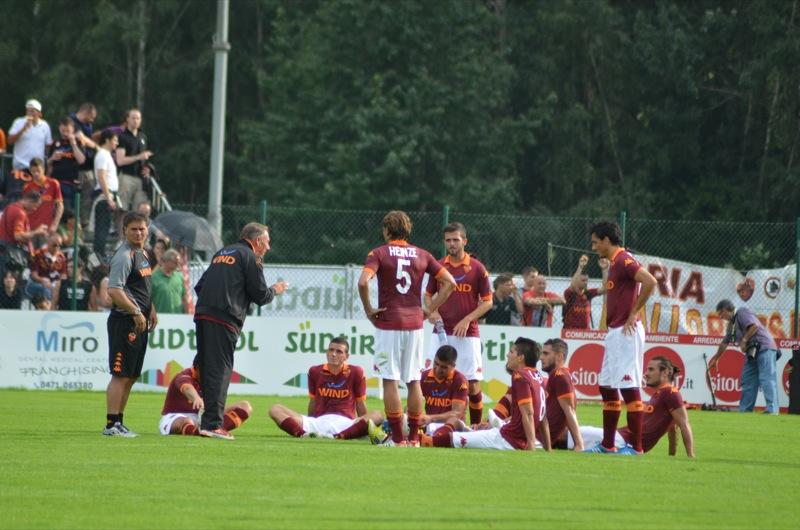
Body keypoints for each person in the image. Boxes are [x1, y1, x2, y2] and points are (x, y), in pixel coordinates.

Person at [358, 210, 456, 447]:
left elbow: (363, 281)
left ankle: (398, 439)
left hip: (389, 322)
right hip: (414, 324)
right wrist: (429, 309)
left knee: (390, 379)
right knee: (413, 380)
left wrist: (370, 309)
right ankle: (414, 438)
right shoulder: (422, 254)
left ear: (387, 230)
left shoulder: (379, 253)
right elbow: (449, 283)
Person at [193, 222, 289, 440]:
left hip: (203, 314)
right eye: (267, 242)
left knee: (207, 367)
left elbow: (200, 286)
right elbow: (260, 296)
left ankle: (206, 420)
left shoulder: (221, 253)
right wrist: (275, 289)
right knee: (221, 369)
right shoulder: (251, 257)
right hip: (224, 319)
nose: (268, 247)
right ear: (256, 241)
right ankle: (213, 425)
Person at [585, 220, 656, 454]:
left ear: (606, 240)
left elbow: (650, 281)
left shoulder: (625, 259)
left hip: (627, 331)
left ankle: (636, 448)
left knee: (629, 387)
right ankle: (608, 445)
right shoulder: (615, 262)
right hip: (614, 332)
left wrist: (634, 312)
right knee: (606, 385)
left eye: (596, 242)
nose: (593, 247)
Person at [419, 337, 550, 452]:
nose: (508, 355)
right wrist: (548, 447)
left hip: (510, 438)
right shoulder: (537, 376)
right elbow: (542, 416)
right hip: (512, 435)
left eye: (511, 352)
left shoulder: (520, 375)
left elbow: (528, 413)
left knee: (457, 439)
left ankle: (420, 440)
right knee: (468, 429)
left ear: (521, 358)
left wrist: (531, 446)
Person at [424, 222, 492, 425]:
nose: (451, 244)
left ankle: (475, 427)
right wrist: (433, 310)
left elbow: (488, 301)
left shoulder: (478, 269)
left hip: (467, 333)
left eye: (455, 239)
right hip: (440, 333)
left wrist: (467, 319)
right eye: (448, 240)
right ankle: (421, 423)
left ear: (464, 240)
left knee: (472, 386)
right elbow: (428, 296)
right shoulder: (438, 266)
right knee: (428, 377)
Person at [566, 357, 695, 457]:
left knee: (568, 433)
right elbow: (673, 428)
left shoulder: (670, 392)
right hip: (620, 438)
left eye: (651, 369)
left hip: (623, 441)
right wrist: (672, 455)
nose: (645, 374)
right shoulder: (662, 394)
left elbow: (684, 424)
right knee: (568, 435)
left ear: (665, 372)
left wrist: (691, 456)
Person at [103, 211, 158, 437]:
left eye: (142, 229)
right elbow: (114, 290)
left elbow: (140, 287)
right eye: (133, 229)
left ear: (147, 230)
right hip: (125, 321)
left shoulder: (143, 254)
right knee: (120, 375)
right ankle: (111, 424)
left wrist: (150, 309)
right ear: (125, 230)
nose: (138, 232)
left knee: (132, 375)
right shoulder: (125, 256)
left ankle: (120, 421)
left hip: (139, 321)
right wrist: (136, 310)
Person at [269, 337, 384, 440]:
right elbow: (313, 401)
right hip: (318, 423)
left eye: (339, 351)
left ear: (346, 356)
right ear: (327, 352)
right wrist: (310, 422)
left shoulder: (356, 372)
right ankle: (304, 435)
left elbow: (360, 403)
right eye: (331, 350)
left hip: (345, 424)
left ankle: (339, 437)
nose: (333, 354)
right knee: (275, 409)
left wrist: (363, 425)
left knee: (378, 415)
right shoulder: (315, 371)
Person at [487, 338, 584, 451]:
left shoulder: (559, 374)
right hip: (539, 435)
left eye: (546, 354)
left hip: (536, 437)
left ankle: (500, 425)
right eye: (542, 353)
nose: (541, 358)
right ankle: (502, 423)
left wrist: (579, 444)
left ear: (559, 356)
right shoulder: (552, 376)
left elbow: (569, 409)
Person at [709, 299, 779, 414]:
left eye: (720, 314)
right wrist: (716, 359)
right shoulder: (732, 324)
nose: (721, 317)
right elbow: (724, 343)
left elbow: (755, 325)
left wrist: (744, 340)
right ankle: (745, 411)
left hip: (764, 347)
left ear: (724, 310)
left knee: (766, 379)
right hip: (752, 353)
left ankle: (772, 410)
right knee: (748, 380)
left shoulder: (742, 313)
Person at [159, 364, 252, 437]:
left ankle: (213, 429)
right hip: (175, 417)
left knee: (245, 406)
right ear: (197, 368)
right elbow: (187, 388)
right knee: (187, 420)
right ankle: (201, 433)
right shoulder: (184, 375)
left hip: (202, 417)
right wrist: (196, 398)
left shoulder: (213, 380)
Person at [418, 345, 469, 434]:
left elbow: (456, 413)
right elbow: (413, 402)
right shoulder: (424, 377)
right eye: (436, 364)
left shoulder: (460, 381)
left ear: (453, 366)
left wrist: (431, 418)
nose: (438, 370)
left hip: (452, 426)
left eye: (444, 367)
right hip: (429, 424)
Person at [115, 109, 153, 212]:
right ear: (127, 119)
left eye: (138, 118)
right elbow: (120, 160)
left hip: (141, 178)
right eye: (133, 118)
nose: (135, 121)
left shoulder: (143, 137)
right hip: (127, 177)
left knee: (140, 209)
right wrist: (138, 157)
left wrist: (149, 169)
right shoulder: (122, 137)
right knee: (122, 207)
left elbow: (144, 158)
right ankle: (121, 227)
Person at [91, 129, 120, 257]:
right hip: (104, 197)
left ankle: (100, 256)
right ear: (107, 140)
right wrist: (109, 198)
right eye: (114, 140)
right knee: (102, 231)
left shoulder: (106, 155)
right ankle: (99, 257)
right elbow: (101, 177)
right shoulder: (102, 155)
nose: (116, 143)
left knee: (105, 229)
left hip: (108, 195)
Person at [22, 158, 64, 244]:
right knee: (31, 254)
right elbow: (24, 208)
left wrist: (54, 225)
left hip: (46, 228)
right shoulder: (27, 187)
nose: (36, 174)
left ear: (43, 170)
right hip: (31, 228)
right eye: (33, 171)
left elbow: (60, 205)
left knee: (45, 253)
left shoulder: (53, 184)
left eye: (38, 171)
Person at [47, 117, 87, 207]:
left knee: (67, 209)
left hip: (70, 182)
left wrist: (73, 144)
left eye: (68, 131)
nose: (65, 134)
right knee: (54, 207)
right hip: (55, 180)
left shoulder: (79, 142)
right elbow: (48, 163)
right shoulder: (56, 143)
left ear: (73, 129)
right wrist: (52, 158)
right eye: (63, 130)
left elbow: (81, 160)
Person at [70, 103, 98, 226]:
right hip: (76, 167)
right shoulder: (72, 123)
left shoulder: (88, 126)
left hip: (88, 166)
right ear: (85, 113)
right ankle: (74, 224)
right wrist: (96, 147)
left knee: (87, 197)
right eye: (91, 117)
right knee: (75, 198)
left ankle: (84, 222)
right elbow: (81, 138)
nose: (92, 120)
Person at [563, 254, 608, 329]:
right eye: (583, 280)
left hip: (585, 333)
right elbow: (573, 286)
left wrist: (604, 269)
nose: (586, 282)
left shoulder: (588, 293)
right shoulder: (569, 293)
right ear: (577, 280)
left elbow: (605, 288)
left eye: (587, 280)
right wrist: (580, 267)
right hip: (570, 332)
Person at [7, 99, 52, 171]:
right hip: (20, 165)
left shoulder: (45, 126)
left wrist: (50, 164)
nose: (29, 113)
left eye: (32, 111)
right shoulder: (18, 122)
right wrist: (23, 129)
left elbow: (48, 146)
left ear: (39, 113)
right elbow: (9, 141)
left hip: (37, 167)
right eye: (28, 111)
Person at [26, 233, 67, 301]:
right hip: (38, 283)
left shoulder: (61, 257)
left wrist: (58, 284)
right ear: (48, 243)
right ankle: (50, 306)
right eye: (55, 245)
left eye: (60, 245)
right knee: (45, 288)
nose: (57, 248)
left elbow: (63, 276)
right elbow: (33, 275)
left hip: (55, 284)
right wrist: (43, 281)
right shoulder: (39, 254)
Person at [151, 249, 188, 314]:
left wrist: (187, 315)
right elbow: (148, 300)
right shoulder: (153, 277)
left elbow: (184, 298)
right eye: (176, 263)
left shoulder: (179, 277)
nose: (178, 266)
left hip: (178, 318)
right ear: (167, 261)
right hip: (160, 317)